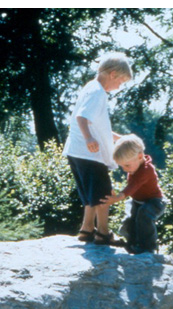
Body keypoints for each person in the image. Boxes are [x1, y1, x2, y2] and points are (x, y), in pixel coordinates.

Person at [63, 52, 132, 245]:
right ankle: (103, 233)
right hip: (89, 154)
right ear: (112, 74)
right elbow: (82, 118)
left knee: (89, 194)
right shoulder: (98, 92)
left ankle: (86, 229)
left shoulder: (90, 88)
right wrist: (89, 138)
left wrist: (122, 139)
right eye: (121, 82)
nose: (119, 87)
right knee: (103, 193)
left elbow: (98, 126)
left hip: (76, 151)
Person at [100, 134, 166, 254]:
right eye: (122, 166)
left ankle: (148, 247)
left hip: (154, 201)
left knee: (144, 214)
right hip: (137, 201)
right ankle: (131, 243)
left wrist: (118, 197)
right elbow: (126, 140)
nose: (125, 169)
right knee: (130, 220)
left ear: (140, 156)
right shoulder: (134, 164)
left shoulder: (147, 170)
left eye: (127, 165)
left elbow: (133, 186)